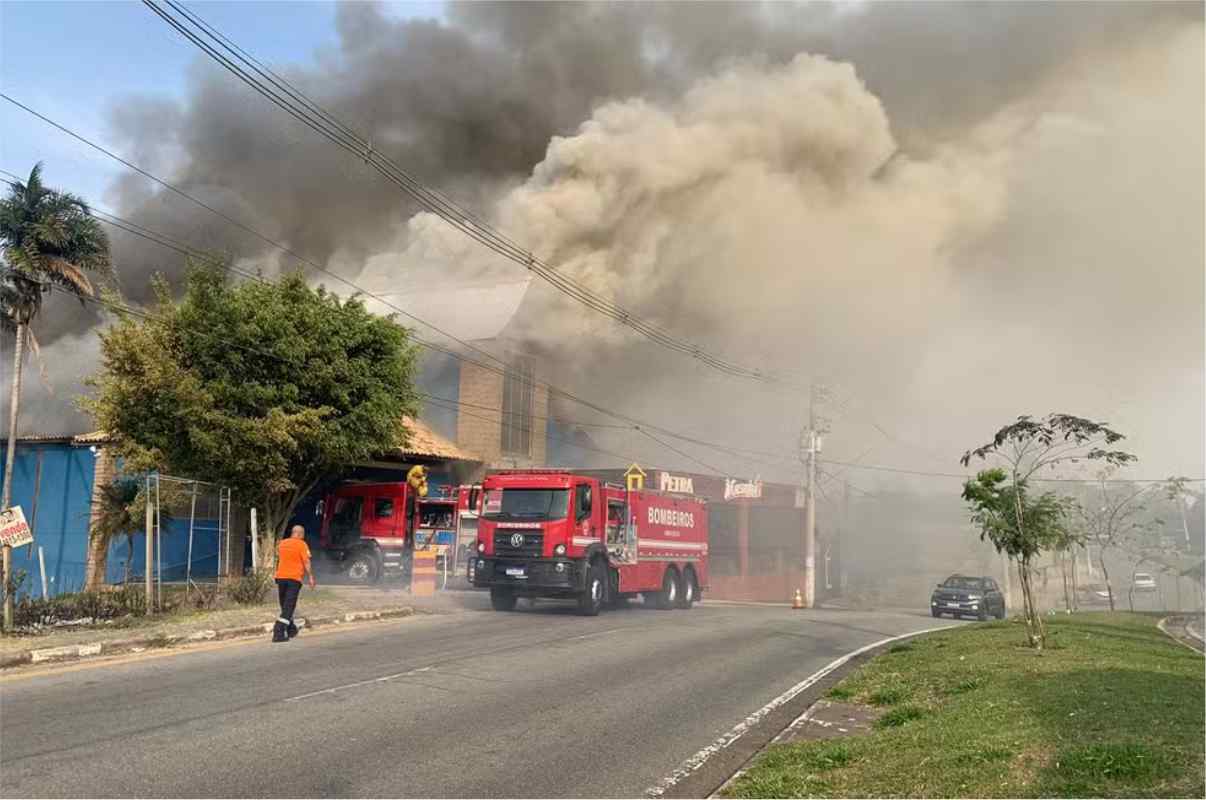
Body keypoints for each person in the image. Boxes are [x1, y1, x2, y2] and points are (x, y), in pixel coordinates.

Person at [273, 525, 316, 643]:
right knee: (289, 605)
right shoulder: (302, 544)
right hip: (294, 579)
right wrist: (311, 576)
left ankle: (291, 629)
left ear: (292, 533)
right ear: (301, 534)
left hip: (280, 577)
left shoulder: (282, 543)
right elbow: (306, 561)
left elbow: (278, 557)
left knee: (284, 604)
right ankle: (278, 631)